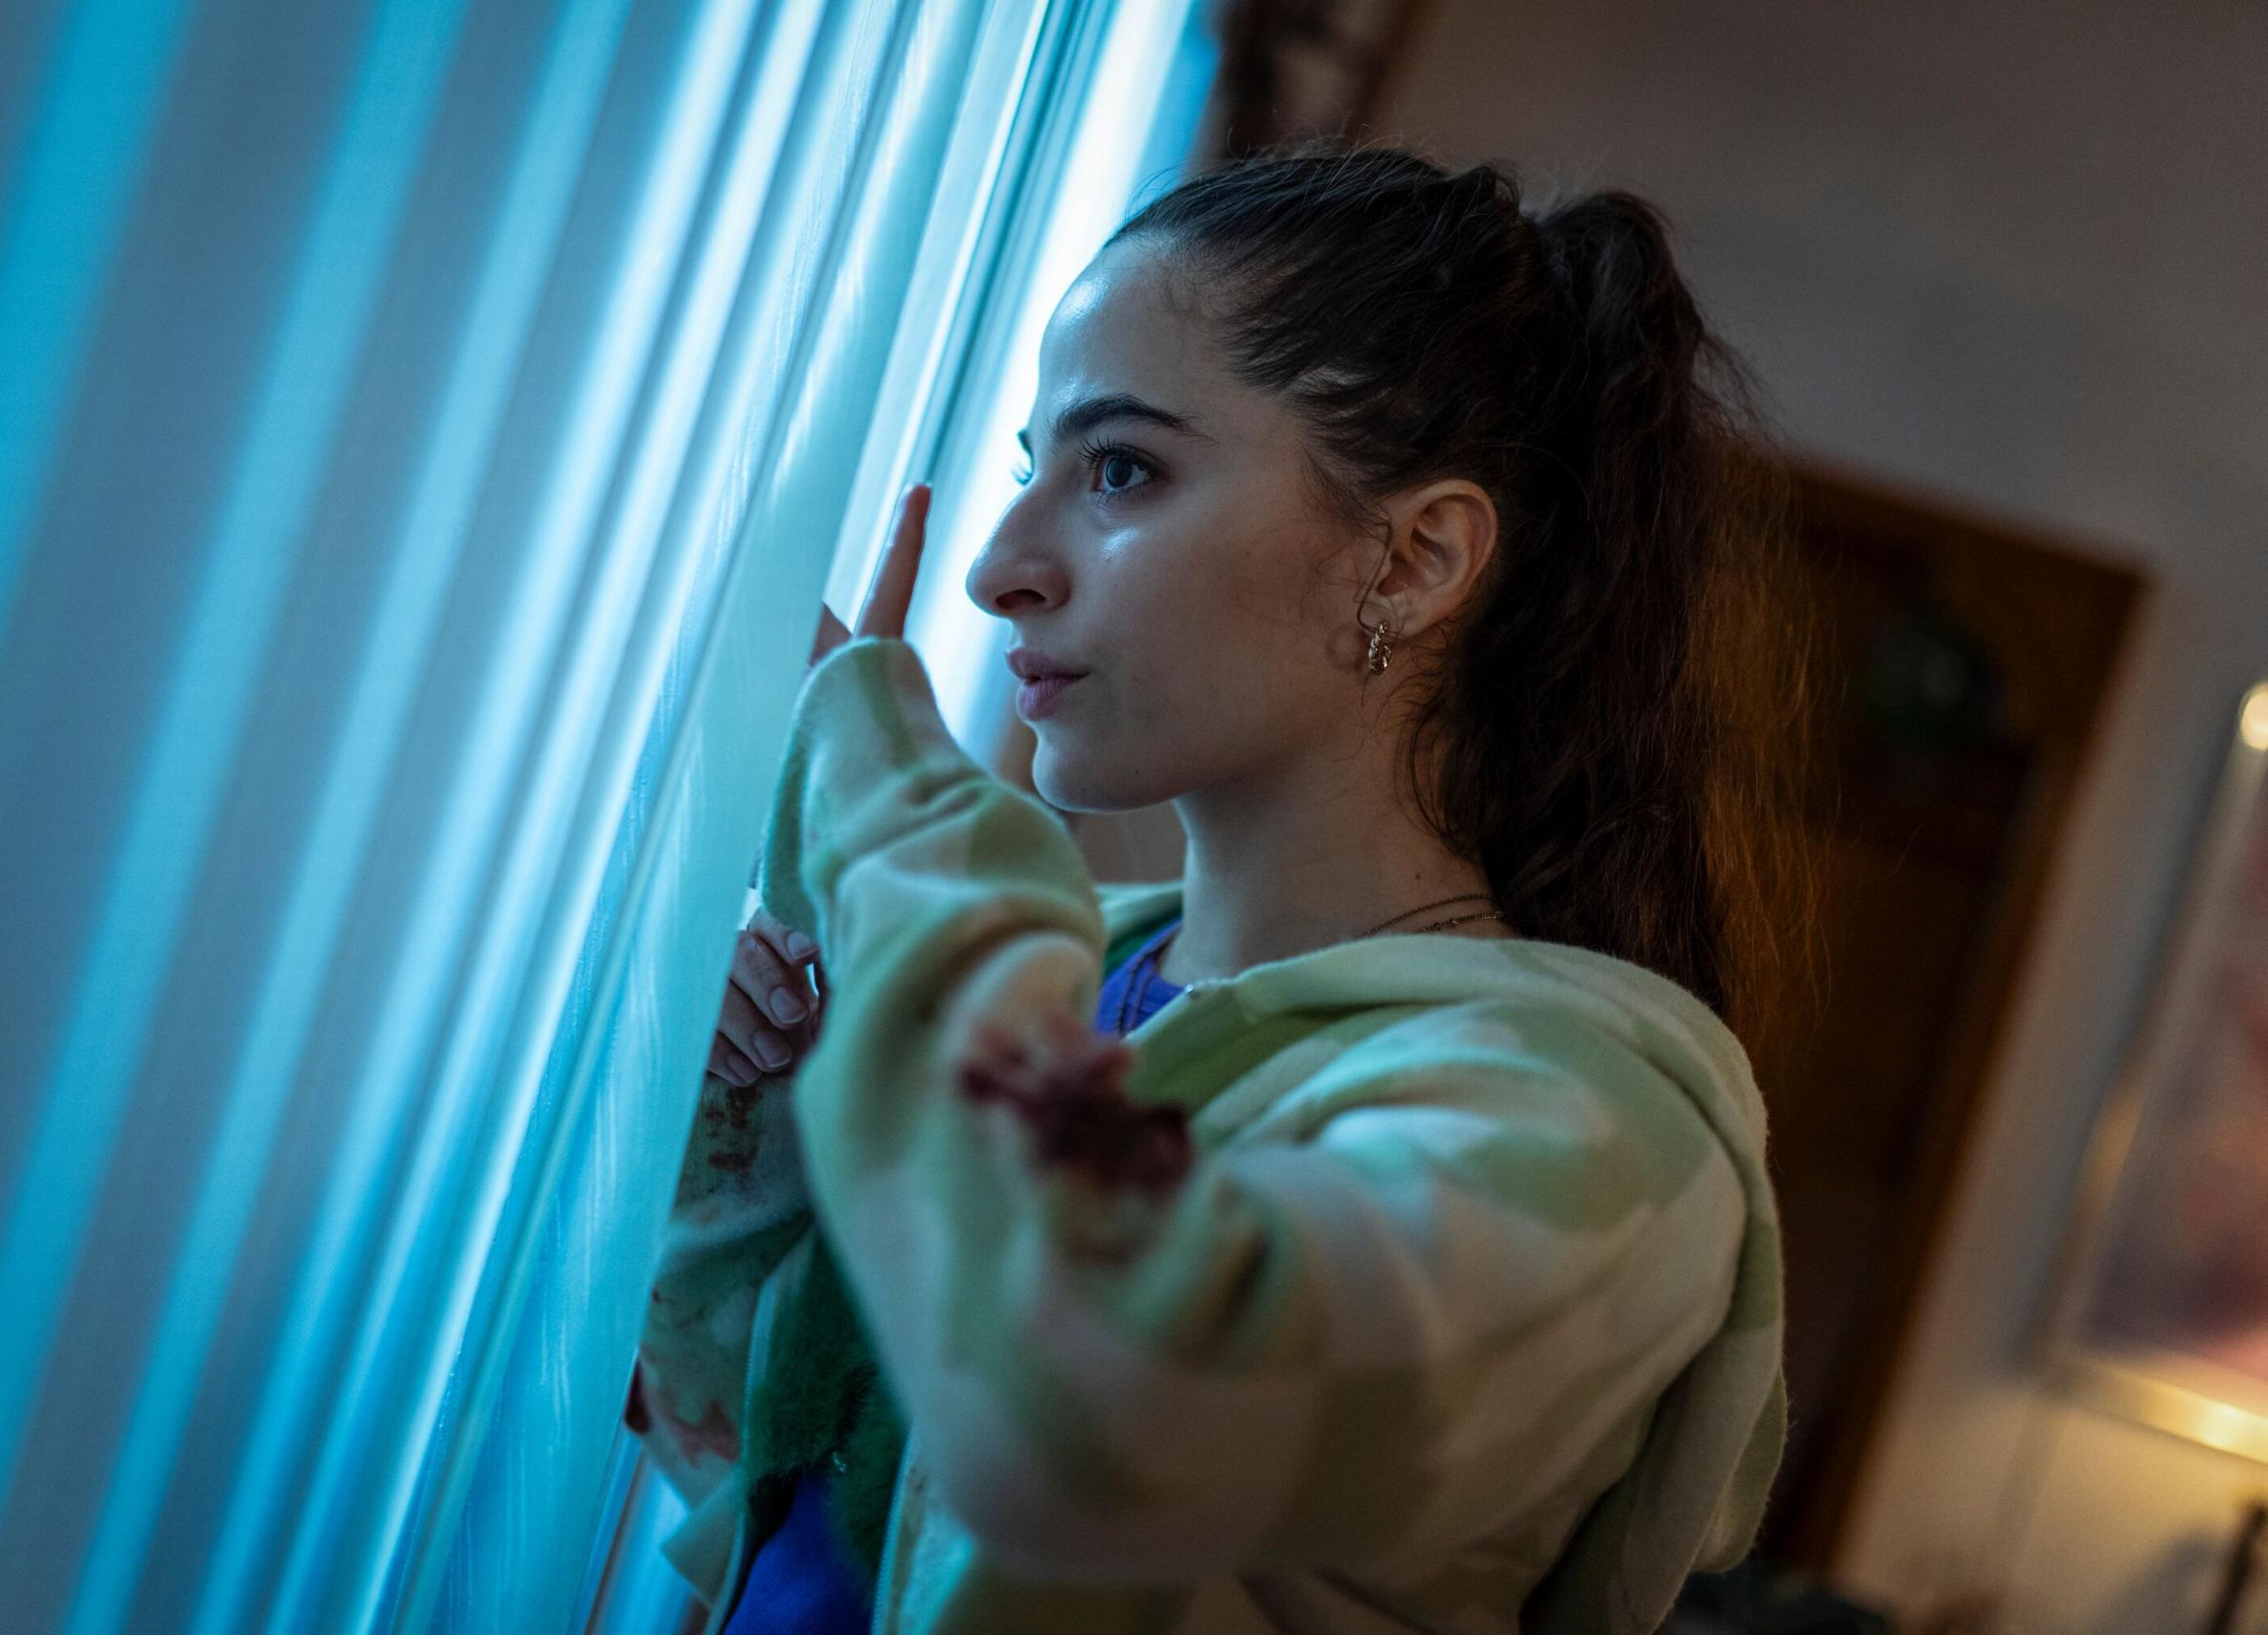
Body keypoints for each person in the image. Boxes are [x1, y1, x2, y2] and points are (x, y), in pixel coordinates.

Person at [625, 139, 1818, 1635]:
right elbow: (791, 1489)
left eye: (1121, 469)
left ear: (1413, 560)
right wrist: (788, 1124)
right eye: (1028, 471)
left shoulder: (1604, 1128)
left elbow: (1095, 1416)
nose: (999, 567)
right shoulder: (1081, 986)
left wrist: (877, 800)